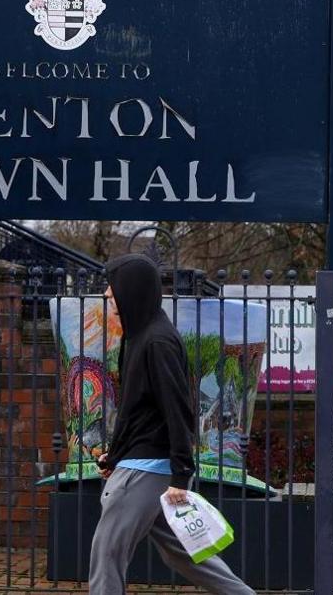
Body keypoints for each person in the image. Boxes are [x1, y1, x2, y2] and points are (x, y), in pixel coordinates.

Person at [88, 254, 254, 595]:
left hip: (146, 472)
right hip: (141, 465)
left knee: (106, 556)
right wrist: (115, 455)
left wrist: (181, 476)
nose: (107, 295)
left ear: (132, 290)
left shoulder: (157, 341)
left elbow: (178, 410)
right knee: (189, 556)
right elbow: (137, 411)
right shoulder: (136, 338)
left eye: (113, 287)